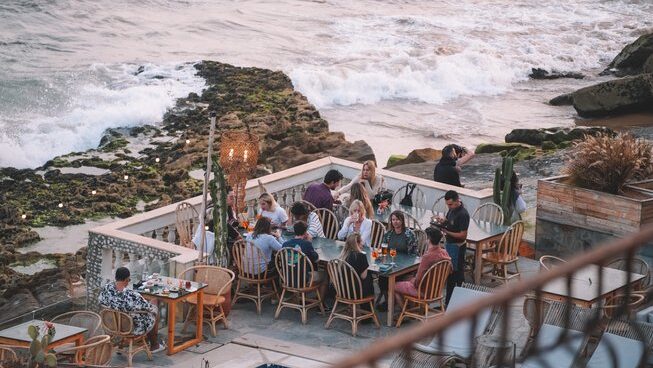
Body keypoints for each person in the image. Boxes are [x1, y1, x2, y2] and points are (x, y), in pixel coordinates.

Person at [98, 267, 164, 353]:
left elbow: (100, 300)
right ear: (127, 279)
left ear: (116, 277)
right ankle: (154, 345)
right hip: (130, 327)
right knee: (154, 307)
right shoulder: (131, 295)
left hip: (112, 325)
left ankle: (125, 343)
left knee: (141, 310)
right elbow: (148, 308)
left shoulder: (106, 288)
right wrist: (153, 303)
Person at [394, 228, 451, 309]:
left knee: (393, 285)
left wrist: (413, 281)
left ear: (428, 239)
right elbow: (450, 269)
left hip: (424, 292)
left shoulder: (427, 257)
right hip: (437, 290)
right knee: (407, 278)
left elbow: (418, 281)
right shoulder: (444, 252)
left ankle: (405, 312)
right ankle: (413, 308)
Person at [434, 190, 470, 306]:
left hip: (458, 247)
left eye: (450, 204)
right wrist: (442, 221)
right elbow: (449, 221)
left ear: (457, 201)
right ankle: (451, 302)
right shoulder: (451, 210)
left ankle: (455, 303)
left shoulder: (463, 214)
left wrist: (447, 231)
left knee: (456, 275)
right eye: (447, 204)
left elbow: (463, 235)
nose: (449, 206)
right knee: (453, 275)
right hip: (450, 245)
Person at [282, 221, 327, 299]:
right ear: (305, 232)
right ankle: (321, 304)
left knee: (296, 268)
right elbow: (316, 259)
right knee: (325, 276)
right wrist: (309, 242)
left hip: (288, 278)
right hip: (303, 280)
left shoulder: (285, 244)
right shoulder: (306, 244)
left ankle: (300, 298)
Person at [339, 233, 374, 297]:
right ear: (357, 243)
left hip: (342, 290)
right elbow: (363, 276)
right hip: (356, 292)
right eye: (361, 241)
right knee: (369, 276)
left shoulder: (343, 255)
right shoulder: (361, 256)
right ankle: (367, 305)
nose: (362, 243)